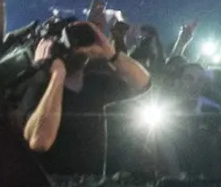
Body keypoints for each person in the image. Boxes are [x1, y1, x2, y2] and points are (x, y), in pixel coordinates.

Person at [21, 17, 152, 174]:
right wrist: (57, 74)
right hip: (53, 184)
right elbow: (40, 141)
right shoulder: (39, 87)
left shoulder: (96, 84)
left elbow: (143, 83)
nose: (78, 48)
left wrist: (111, 54)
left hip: (92, 184)